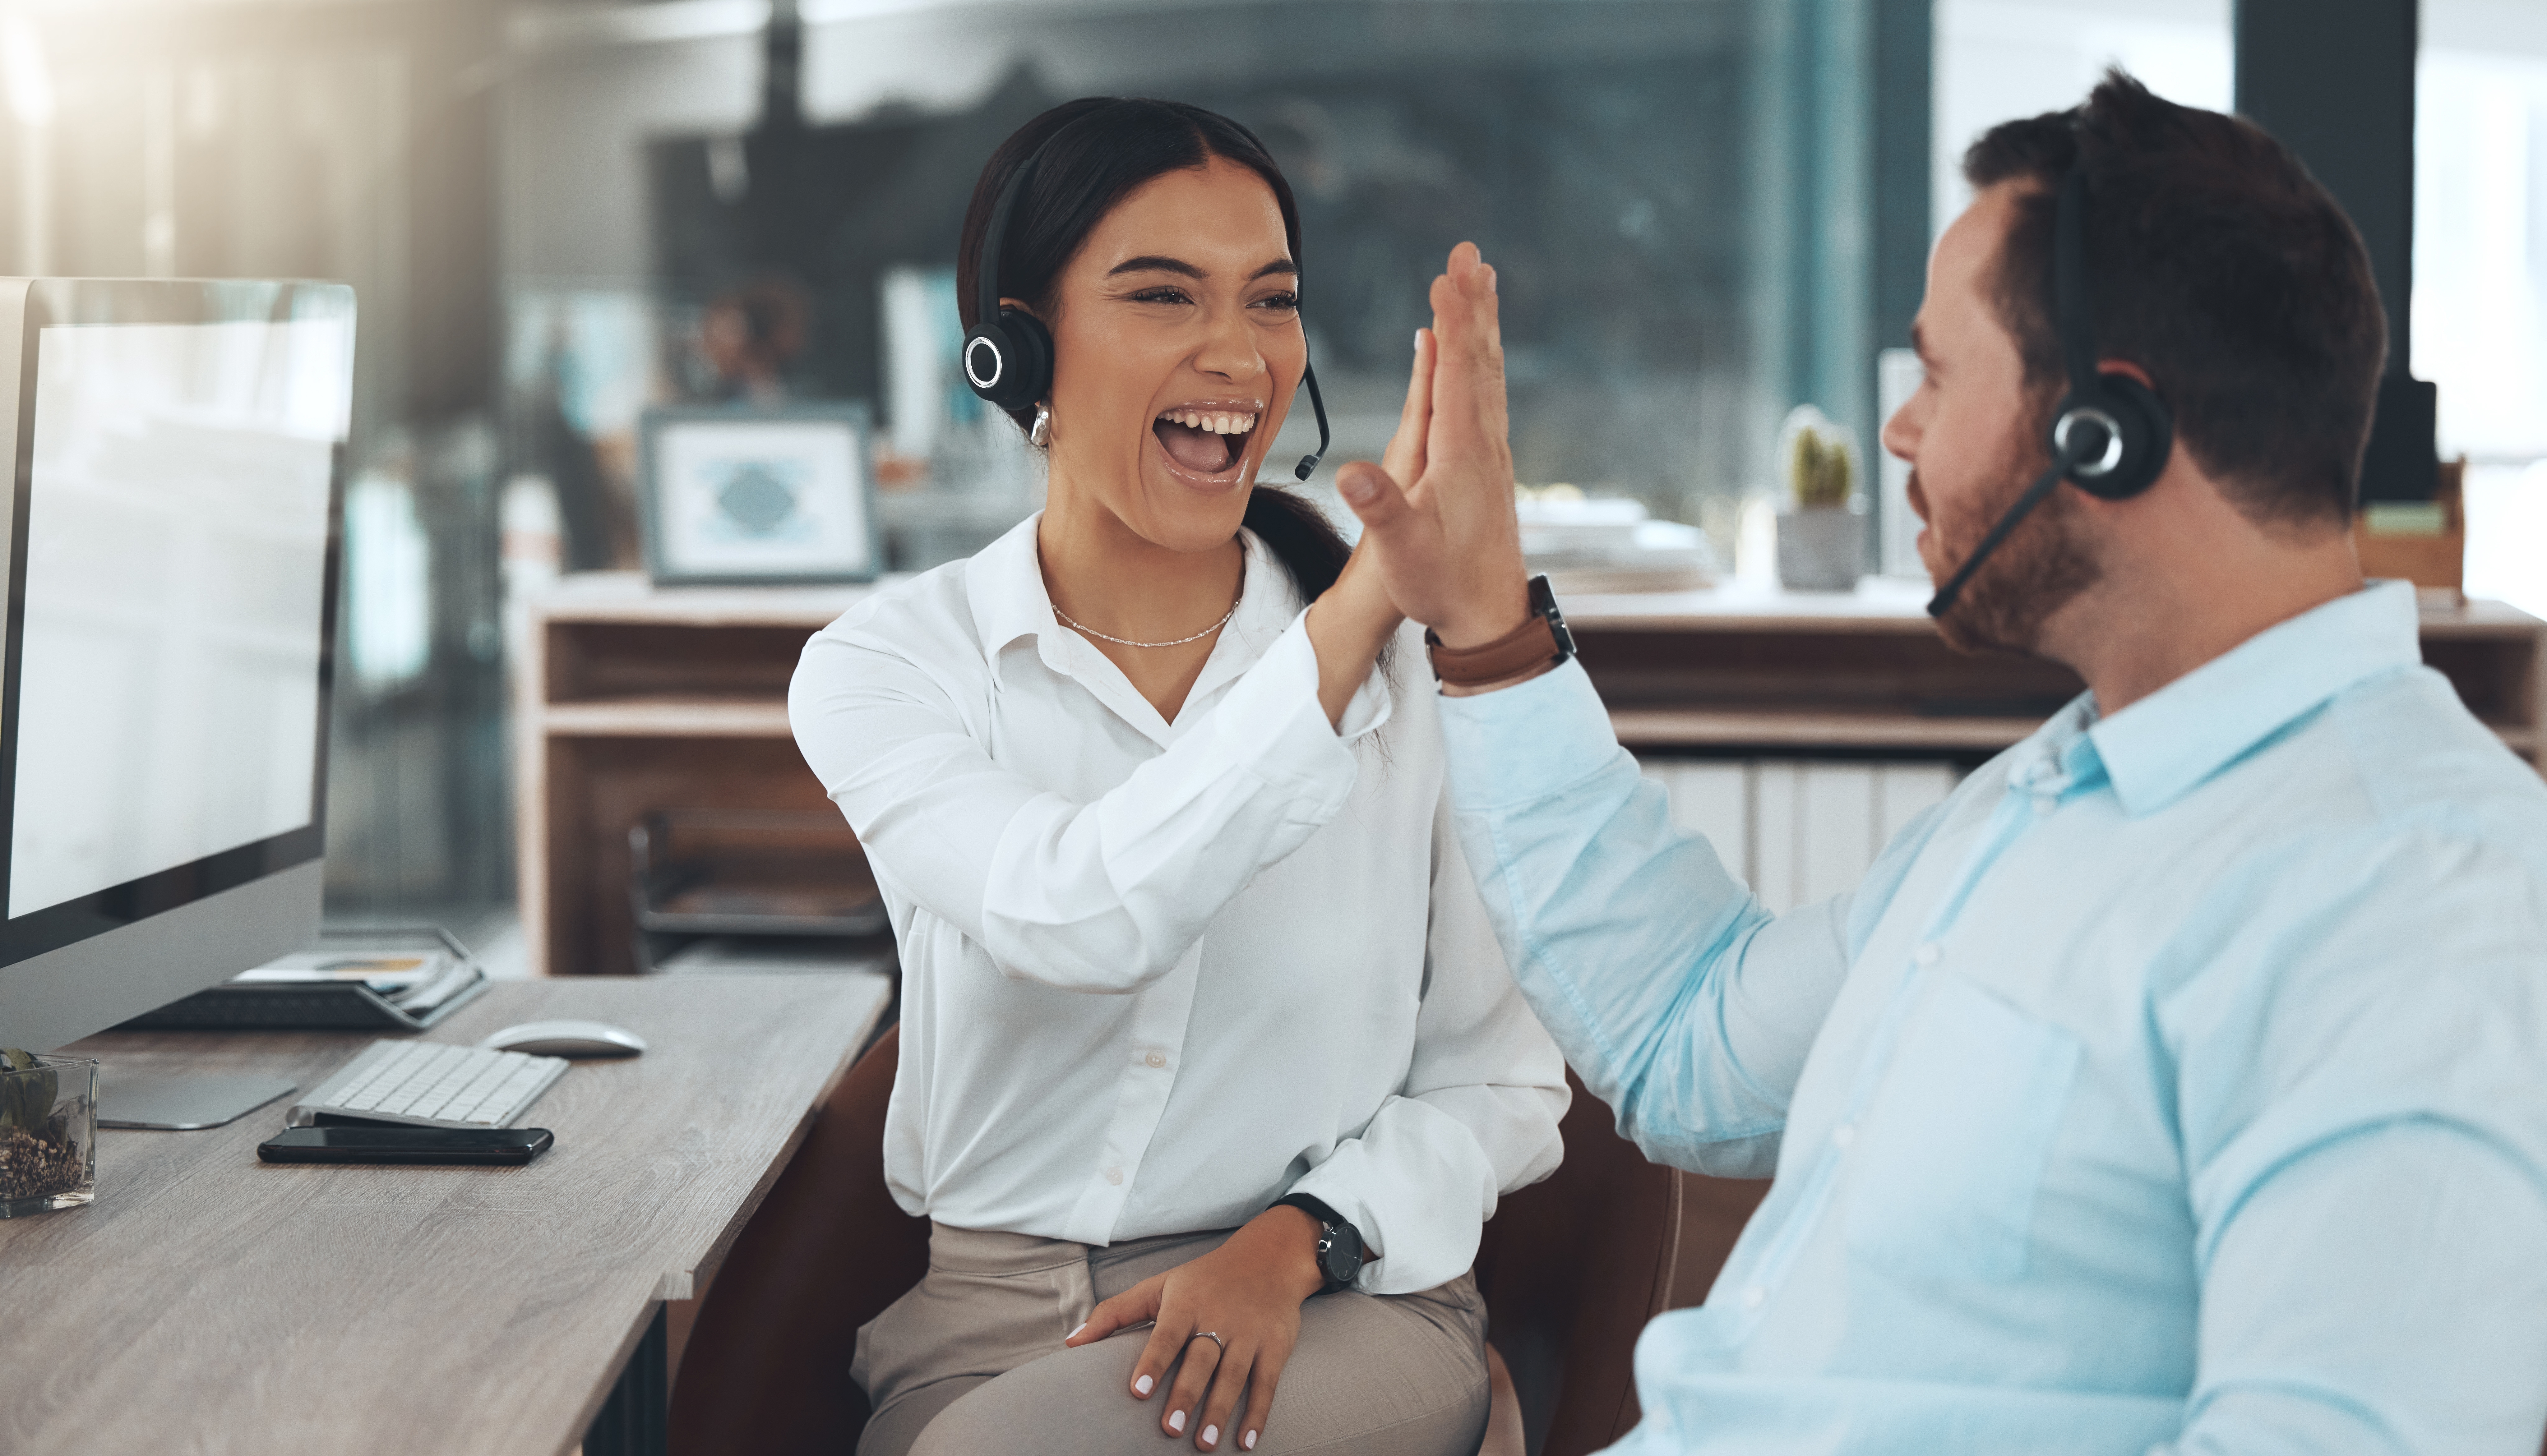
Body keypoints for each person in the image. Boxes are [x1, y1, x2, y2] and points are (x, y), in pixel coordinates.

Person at [1337, 72, 2547, 1453]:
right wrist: (1487, 624)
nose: (1899, 429)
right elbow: (1689, 1039)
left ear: (2106, 428)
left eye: (1938, 372)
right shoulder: (2051, 795)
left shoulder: (2412, 896)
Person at [787, 98, 1567, 1456]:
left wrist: (1295, 1241)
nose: (1236, 353)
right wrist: (1346, 627)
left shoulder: (1414, 665)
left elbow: (1498, 1085)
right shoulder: (889, 667)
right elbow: (1075, 912)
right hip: (987, 1320)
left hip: (1335, 1305)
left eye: (1271, 301)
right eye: (1161, 295)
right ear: (1013, 345)